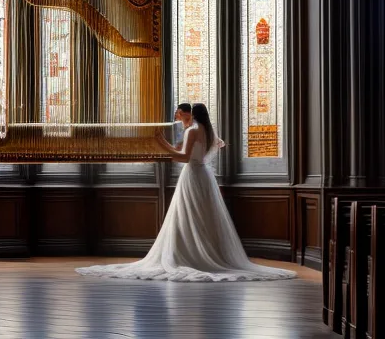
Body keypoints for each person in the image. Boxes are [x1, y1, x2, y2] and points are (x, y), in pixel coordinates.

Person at [77, 103, 296, 282]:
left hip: (192, 174)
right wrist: (166, 144)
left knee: (187, 215)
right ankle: (207, 253)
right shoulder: (209, 131)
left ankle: (189, 256)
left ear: (189, 114)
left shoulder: (193, 130)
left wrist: (162, 147)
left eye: (180, 113)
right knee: (203, 216)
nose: (179, 115)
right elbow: (215, 146)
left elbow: (183, 157)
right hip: (204, 176)